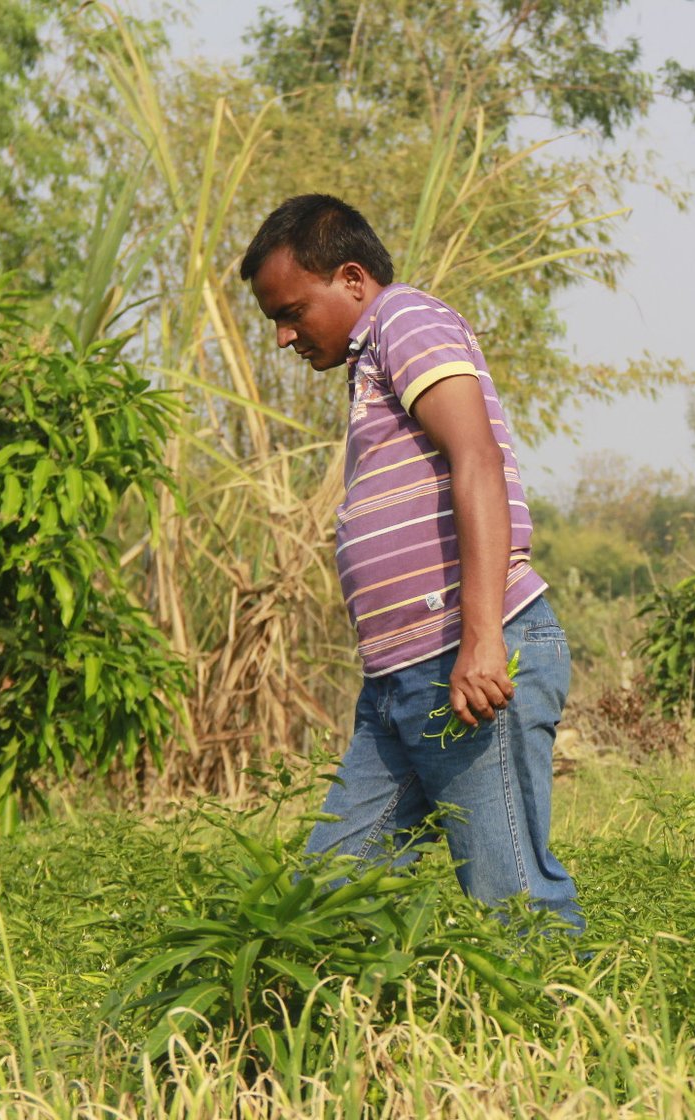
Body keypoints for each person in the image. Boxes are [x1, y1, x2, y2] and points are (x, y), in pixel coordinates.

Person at [239, 194, 581, 931]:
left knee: (513, 900)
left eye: (292, 311)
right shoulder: (369, 365)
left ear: (353, 278)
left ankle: (581, 1042)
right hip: (400, 682)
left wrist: (482, 638)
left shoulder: (406, 319)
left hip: (469, 661)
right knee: (324, 900)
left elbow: (477, 461)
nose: (283, 336)